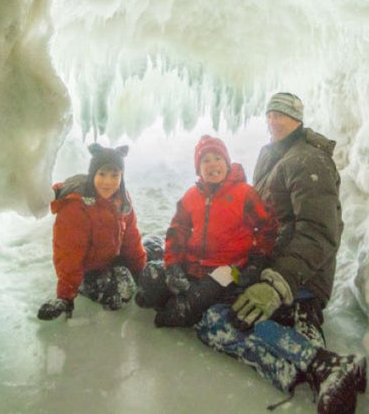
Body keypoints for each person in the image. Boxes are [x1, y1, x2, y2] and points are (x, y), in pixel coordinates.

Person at [195, 93, 368, 414]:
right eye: (271, 114)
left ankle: (314, 350)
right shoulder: (275, 156)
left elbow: (318, 232)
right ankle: (313, 367)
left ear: (299, 120)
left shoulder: (308, 160)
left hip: (299, 279)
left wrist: (276, 284)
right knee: (215, 322)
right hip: (268, 271)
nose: (274, 121)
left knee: (223, 319)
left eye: (283, 115)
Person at [136, 135, 277, 327]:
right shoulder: (191, 196)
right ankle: (172, 296)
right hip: (194, 262)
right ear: (199, 169)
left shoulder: (244, 193)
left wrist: (257, 262)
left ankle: (183, 308)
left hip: (229, 268)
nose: (212, 165)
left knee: (193, 302)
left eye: (218, 158)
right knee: (152, 276)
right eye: (206, 161)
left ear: (227, 163)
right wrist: (173, 266)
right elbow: (177, 231)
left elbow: (267, 228)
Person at [37, 143, 148, 320]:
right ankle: (86, 287)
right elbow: (69, 253)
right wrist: (65, 297)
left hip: (110, 257)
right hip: (87, 270)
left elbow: (131, 239)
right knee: (121, 292)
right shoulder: (76, 206)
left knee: (152, 253)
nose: (108, 182)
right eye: (102, 174)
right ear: (93, 174)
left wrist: (141, 272)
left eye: (115, 175)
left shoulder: (122, 200)